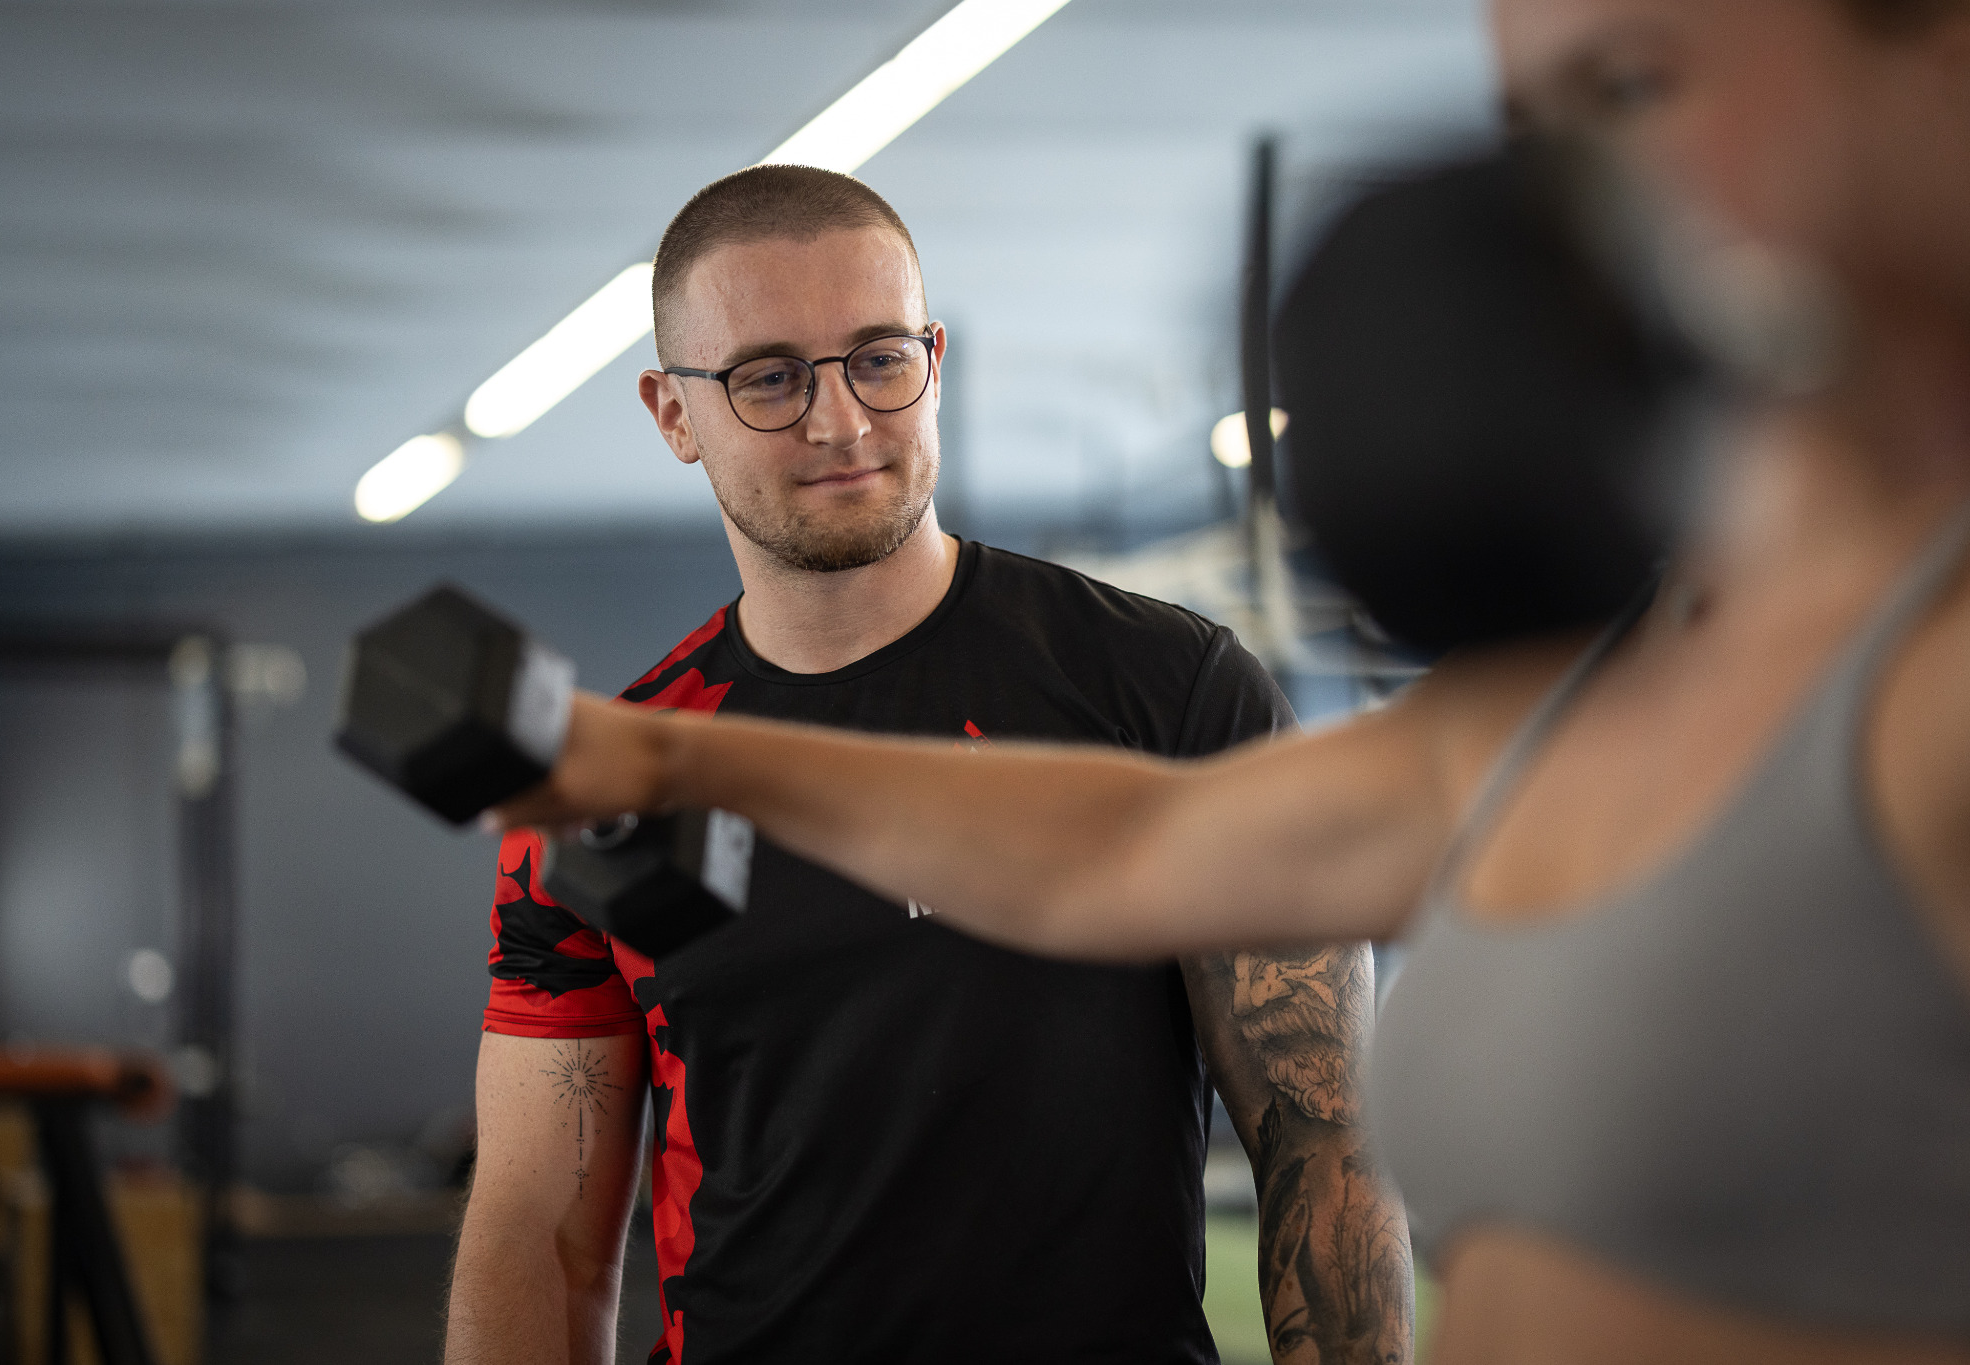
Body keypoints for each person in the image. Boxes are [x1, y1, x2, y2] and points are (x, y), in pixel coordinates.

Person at [492, 2, 1970, 1362]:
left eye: (1631, 83)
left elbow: (1319, 1139)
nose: (1560, 192)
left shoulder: (1929, 685)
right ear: (677, 412)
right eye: (1535, 117)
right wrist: (677, 764)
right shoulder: (1556, 713)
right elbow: (1127, 849)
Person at [444, 165, 1411, 1365]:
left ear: (934, 360)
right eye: (769, 377)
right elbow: (541, 1229)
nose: (840, 419)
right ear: (672, 413)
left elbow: (1321, 1138)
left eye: (878, 357)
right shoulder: (606, 789)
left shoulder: (1168, 691)